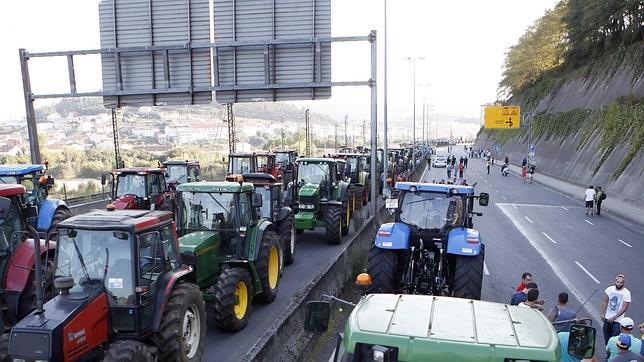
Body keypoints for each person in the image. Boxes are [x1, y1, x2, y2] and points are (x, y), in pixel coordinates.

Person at [600, 274, 632, 345]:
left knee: (614, 341)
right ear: (615, 281)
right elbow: (605, 302)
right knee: (607, 341)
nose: (619, 284)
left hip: (617, 322)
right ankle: (608, 354)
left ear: (623, 283)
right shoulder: (609, 289)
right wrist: (602, 314)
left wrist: (614, 317)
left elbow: (624, 308)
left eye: (621, 282)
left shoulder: (627, 293)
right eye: (618, 282)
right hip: (607, 319)